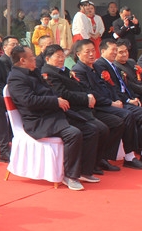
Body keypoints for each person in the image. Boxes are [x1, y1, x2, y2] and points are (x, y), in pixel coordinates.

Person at [7, 46, 86, 190]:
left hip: (51, 114)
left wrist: (58, 99)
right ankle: (70, 175)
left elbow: (49, 90)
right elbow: (29, 101)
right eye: (32, 57)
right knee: (73, 134)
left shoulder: (34, 71)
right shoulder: (16, 78)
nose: (35, 58)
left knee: (90, 127)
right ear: (22, 60)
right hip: (37, 120)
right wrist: (55, 101)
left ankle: (85, 169)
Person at [71, 39, 142, 170]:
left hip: (109, 103)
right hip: (97, 106)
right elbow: (90, 93)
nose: (91, 54)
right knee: (127, 116)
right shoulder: (78, 71)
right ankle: (128, 156)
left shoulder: (97, 67)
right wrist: (111, 103)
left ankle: (109, 156)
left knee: (132, 114)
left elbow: (110, 86)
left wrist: (117, 100)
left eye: (92, 51)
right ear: (78, 54)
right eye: (87, 52)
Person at [41, 44, 116, 178]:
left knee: (105, 127)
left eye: (63, 56)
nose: (61, 59)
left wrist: (88, 95)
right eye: (58, 56)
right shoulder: (48, 73)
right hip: (69, 110)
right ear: (47, 59)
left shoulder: (65, 70)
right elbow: (63, 93)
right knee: (96, 129)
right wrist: (85, 98)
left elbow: (79, 86)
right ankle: (84, 168)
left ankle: (95, 162)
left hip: (82, 107)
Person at [93, 38, 142, 166]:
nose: (115, 53)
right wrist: (127, 100)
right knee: (138, 113)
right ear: (103, 51)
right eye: (113, 50)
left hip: (125, 97)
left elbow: (124, 84)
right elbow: (110, 88)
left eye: (116, 50)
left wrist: (131, 97)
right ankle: (130, 156)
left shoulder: (113, 64)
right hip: (113, 101)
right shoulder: (100, 65)